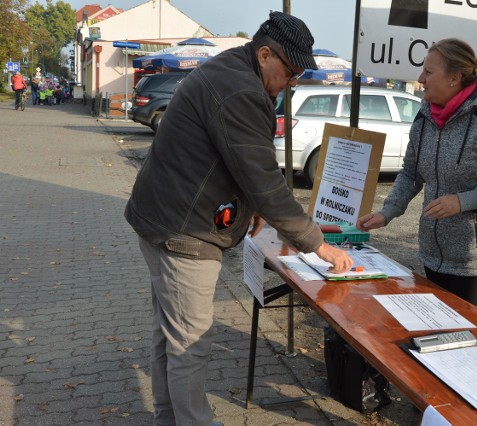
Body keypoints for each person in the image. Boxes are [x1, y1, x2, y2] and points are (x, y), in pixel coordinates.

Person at [124, 11, 353, 425]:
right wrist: (317, 243)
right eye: (291, 71)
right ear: (265, 54)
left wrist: (251, 207)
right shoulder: (241, 90)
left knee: (170, 334)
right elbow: (264, 178)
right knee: (189, 343)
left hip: (165, 215)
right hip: (184, 230)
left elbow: (233, 161)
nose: (293, 81)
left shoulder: (235, 70)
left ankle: (167, 418)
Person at [356, 38, 477, 307]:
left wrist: (463, 201)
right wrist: (387, 212)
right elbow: (411, 174)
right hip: (432, 253)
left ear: (454, 78)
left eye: (428, 71)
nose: (420, 78)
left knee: (459, 335)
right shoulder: (424, 117)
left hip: (474, 260)